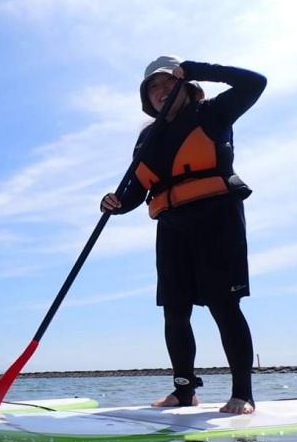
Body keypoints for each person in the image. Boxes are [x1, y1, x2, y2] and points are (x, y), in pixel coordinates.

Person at [100, 55, 267, 415]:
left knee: (224, 305)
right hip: (171, 225)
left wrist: (199, 68)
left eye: (166, 83)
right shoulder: (147, 137)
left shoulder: (213, 112)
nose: (160, 92)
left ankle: (243, 394)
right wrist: (115, 202)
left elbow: (255, 82)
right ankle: (184, 390)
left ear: (185, 86)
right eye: (152, 88)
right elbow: (135, 190)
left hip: (216, 217)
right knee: (175, 311)